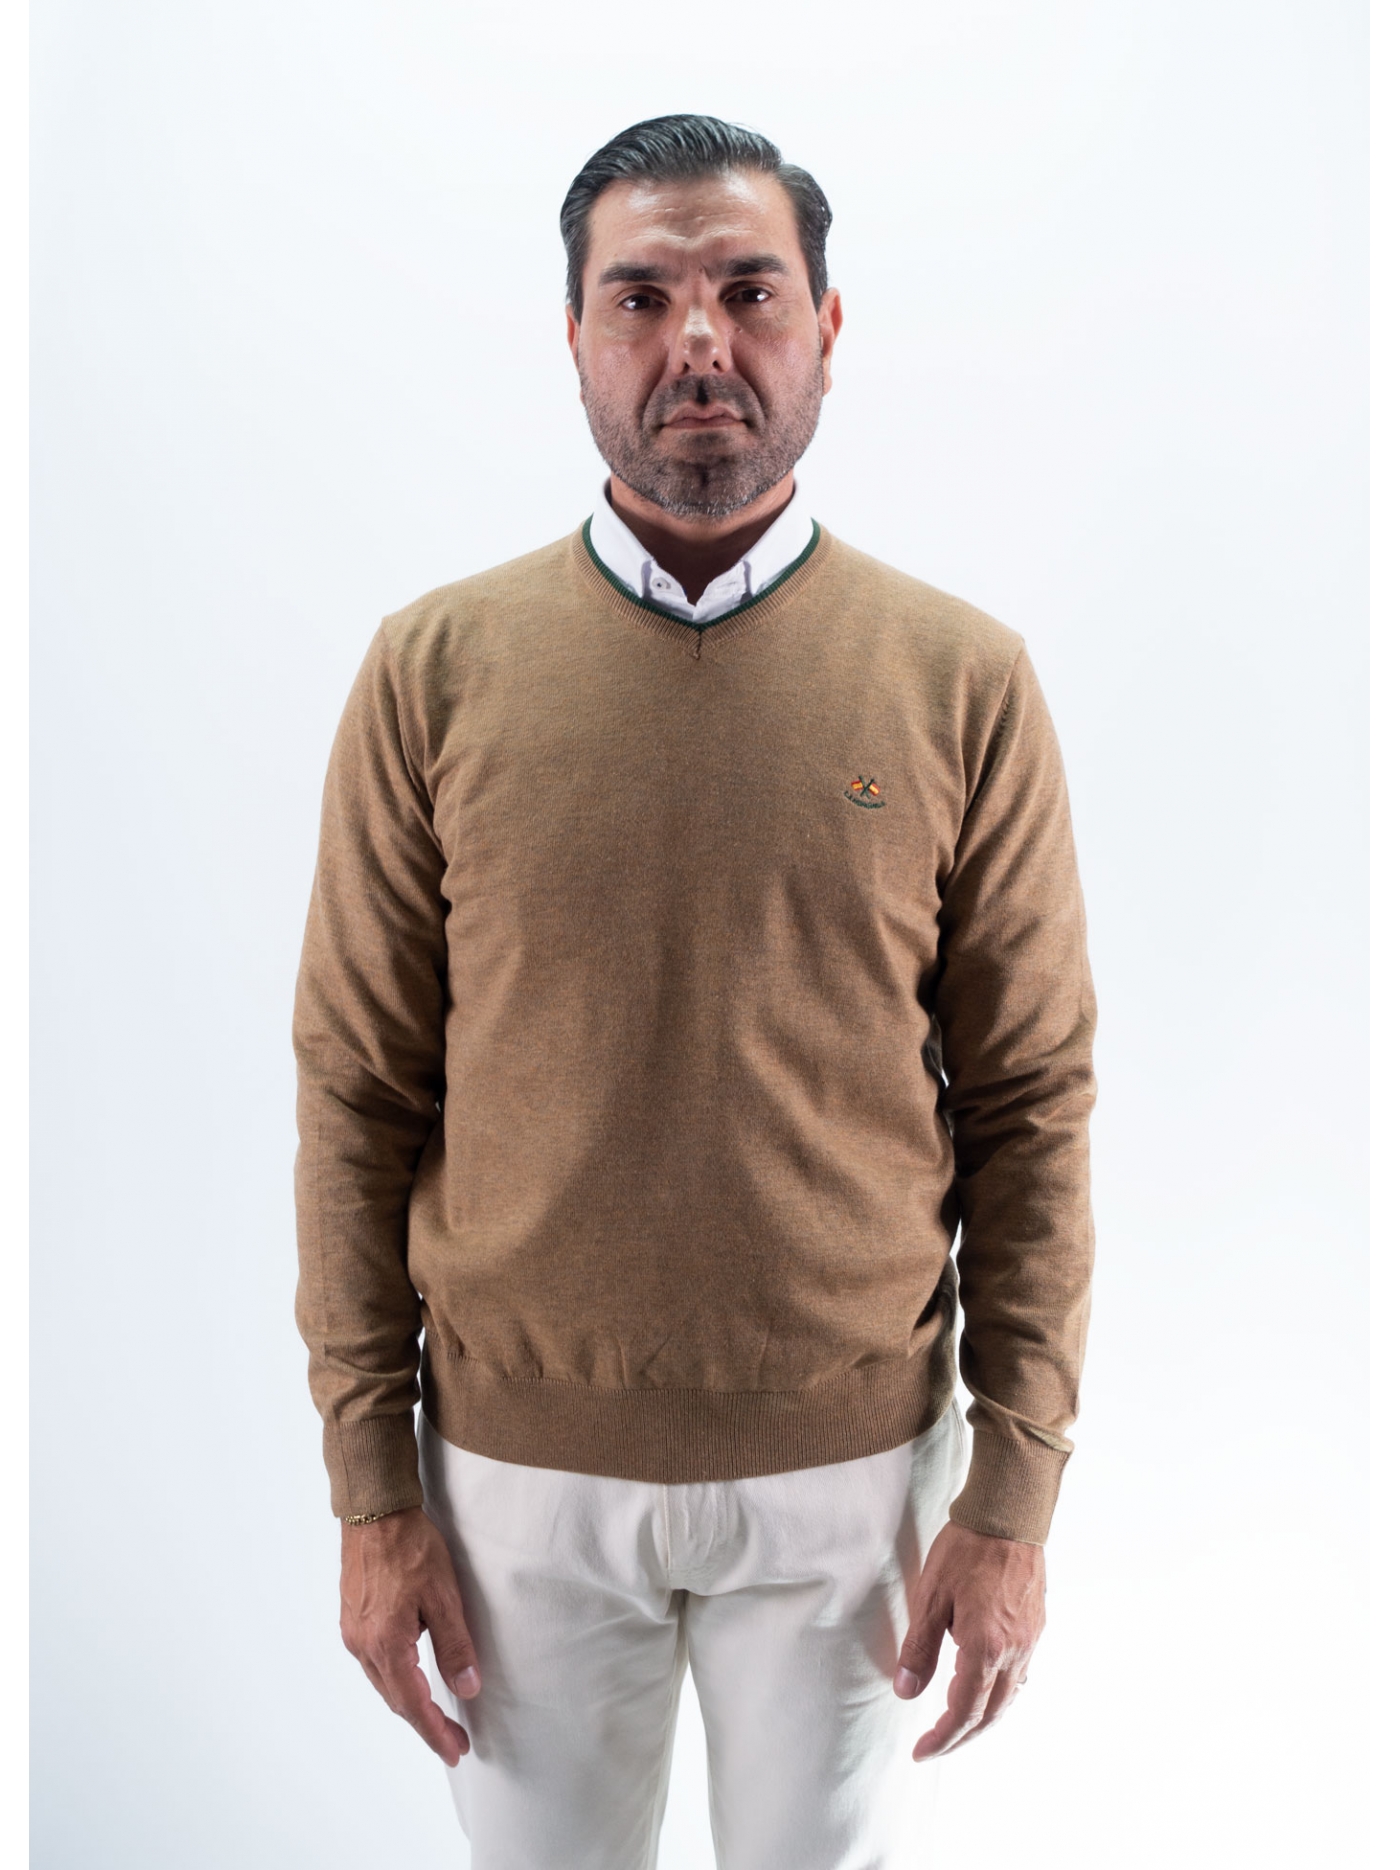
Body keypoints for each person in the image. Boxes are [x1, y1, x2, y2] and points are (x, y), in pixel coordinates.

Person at [293, 113, 1096, 1870]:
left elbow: (1031, 1103)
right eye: (642, 297)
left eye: (749, 289)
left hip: (852, 1482)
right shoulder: (435, 670)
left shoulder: (963, 679)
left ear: (827, 324)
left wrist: (1016, 1490)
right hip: (513, 1479)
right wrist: (370, 1489)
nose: (700, 341)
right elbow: (356, 1092)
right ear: (576, 336)